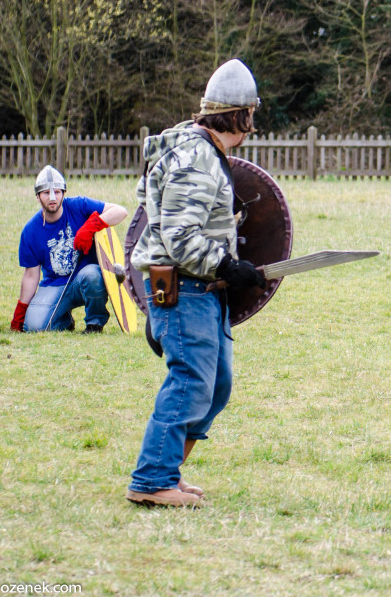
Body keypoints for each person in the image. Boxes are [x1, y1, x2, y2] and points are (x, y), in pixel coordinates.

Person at [125, 58, 266, 507]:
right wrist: (226, 266)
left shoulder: (201, 152)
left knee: (216, 384)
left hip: (203, 289)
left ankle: (168, 471)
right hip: (186, 288)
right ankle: (151, 481)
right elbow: (180, 237)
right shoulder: (197, 158)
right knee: (190, 383)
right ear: (242, 116)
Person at [10, 166, 127, 333]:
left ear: (63, 193)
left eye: (57, 192)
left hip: (84, 279)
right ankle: (64, 320)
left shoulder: (78, 206)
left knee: (93, 274)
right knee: (34, 327)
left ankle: (94, 323)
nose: (52, 198)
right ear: (37, 196)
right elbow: (31, 275)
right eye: (46, 193)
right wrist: (21, 311)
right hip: (54, 285)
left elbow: (120, 211)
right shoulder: (30, 231)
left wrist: (90, 227)